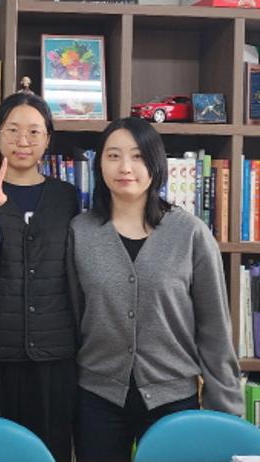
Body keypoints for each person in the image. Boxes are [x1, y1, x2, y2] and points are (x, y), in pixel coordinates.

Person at [69, 117, 243, 462]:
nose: (125, 167)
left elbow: (214, 330)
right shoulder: (80, 232)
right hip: (97, 398)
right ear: (99, 164)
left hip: (173, 399)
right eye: (113, 155)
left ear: (156, 163)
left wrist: (226, 413)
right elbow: (73, 316)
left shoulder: (190, 233)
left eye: (137, 156)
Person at [0, 92, 78, 462]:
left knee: (47, 452)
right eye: (12, 130)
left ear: (48, 139)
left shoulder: (66, 196)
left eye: (34, 132)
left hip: (52, 355)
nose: (23, 141)